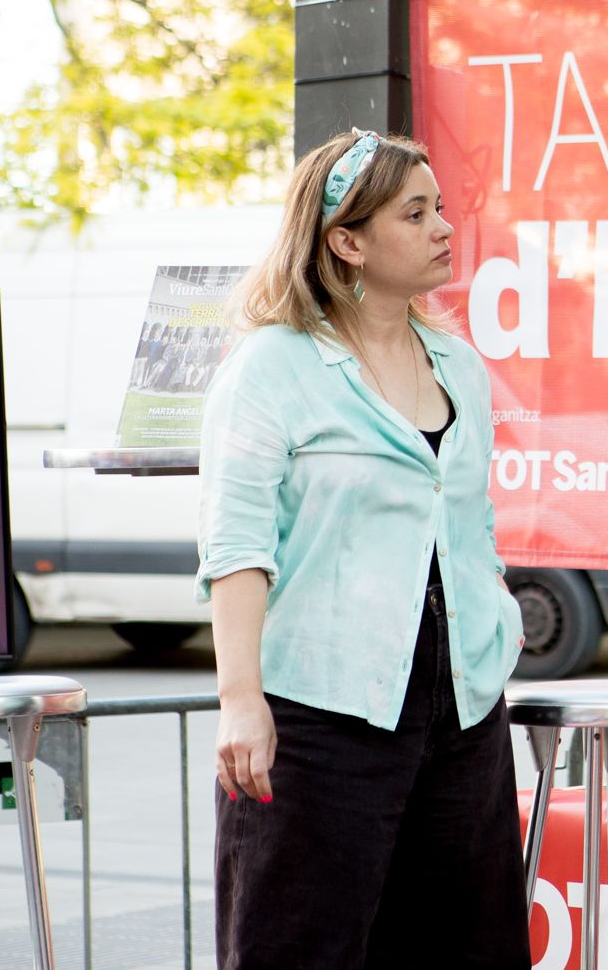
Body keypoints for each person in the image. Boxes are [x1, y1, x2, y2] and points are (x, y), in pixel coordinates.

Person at [197, 129, 531, 970]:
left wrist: (498, 623)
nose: (444, 228)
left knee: (470, 948)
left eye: (441, 209)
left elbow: (470, 518)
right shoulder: (270, 367)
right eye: (414, 214)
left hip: (461, 712)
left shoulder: (459, 364)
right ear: (347, 240)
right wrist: (241, 697)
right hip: (318, 715)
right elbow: (237, 543)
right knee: (299, 946)